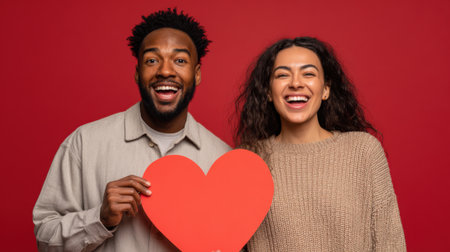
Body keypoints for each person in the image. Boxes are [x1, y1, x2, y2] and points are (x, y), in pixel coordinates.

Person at [33, 8, 230, 252]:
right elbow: (44, 239)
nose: (165, 71)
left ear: (197, 74)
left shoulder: (222, 160)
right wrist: (100, 219)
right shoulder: (84, 143)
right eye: (152, 60)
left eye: (180, 60)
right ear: (138, 73)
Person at [235, 37, 406, 251]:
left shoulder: (363, 151)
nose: (296, 83)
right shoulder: (248, 159)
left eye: (308, 73)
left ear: (325, 89)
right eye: (282, 75)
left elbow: (390, 241)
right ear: (268, 92)